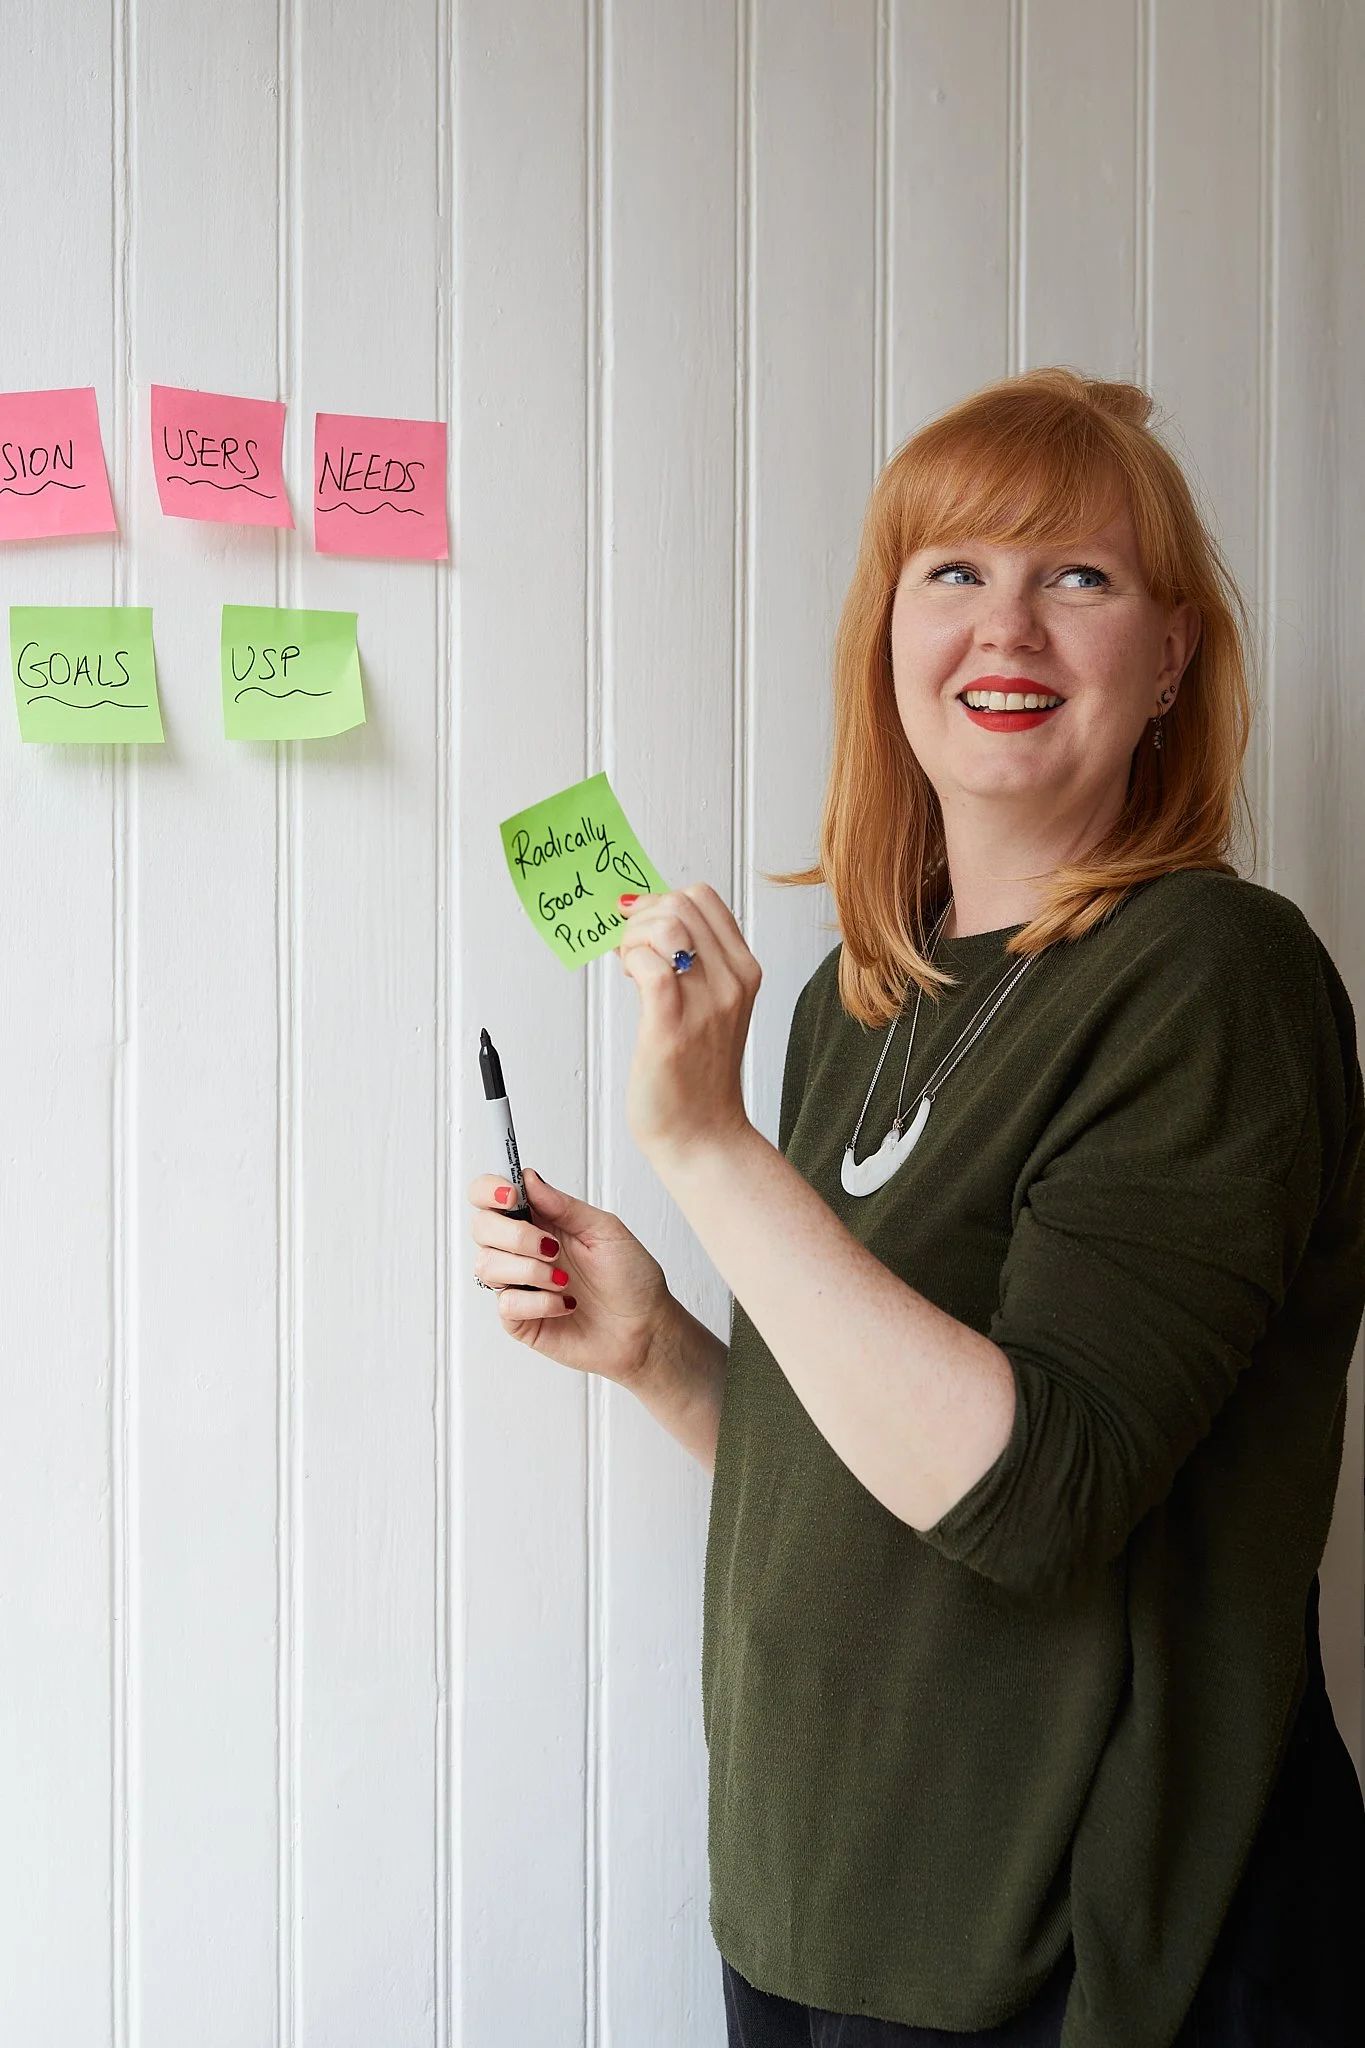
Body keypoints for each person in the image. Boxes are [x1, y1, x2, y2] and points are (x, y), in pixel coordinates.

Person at [468, 368, 1365, 2048]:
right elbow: (878, 1471)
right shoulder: (848, 1005)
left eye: (1075, 579)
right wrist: (662, 1348)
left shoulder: (1216, 978)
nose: (1004, 627)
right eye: (951, 572)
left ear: (1171, 657)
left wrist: (713, 1151)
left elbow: (1033, 1498)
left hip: (1082, 1963)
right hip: (820, 1916)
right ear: (887, 637)